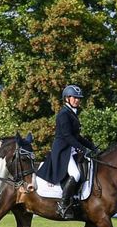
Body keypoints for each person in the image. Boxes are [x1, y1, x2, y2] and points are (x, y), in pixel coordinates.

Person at [36, 84, 99, 217]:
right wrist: (82, 149)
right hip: (62, 151)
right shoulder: (63, 114)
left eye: (78, 98)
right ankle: (63, 205)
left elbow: (76, 136)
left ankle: (78, 199)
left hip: (70, 149)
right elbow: (67, 136)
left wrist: (92, 146)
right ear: (67, 98)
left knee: (87, 166)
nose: (77, 100)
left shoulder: (72, 113)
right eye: (74, 97)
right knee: (76, 174)